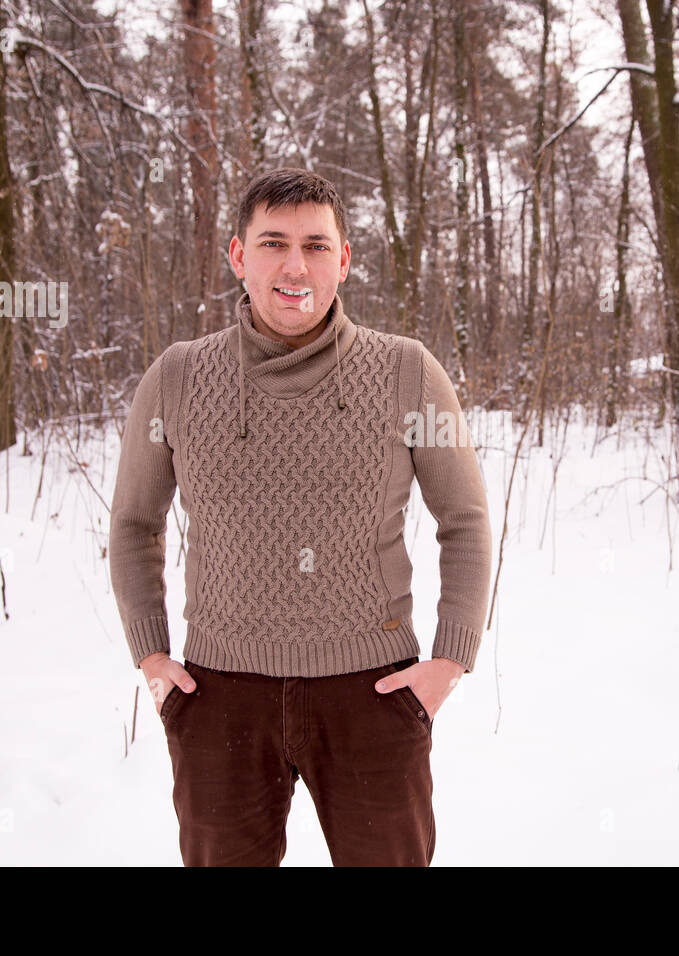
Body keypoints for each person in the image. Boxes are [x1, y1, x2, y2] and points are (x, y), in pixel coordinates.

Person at [108, 167, 493, 866]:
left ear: (344, 259)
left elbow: (463, 519)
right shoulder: (178, 378)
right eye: (273, 243)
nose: (295, 265)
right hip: (219, 695)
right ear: (238, 255)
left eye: (316, 245)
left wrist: (450, 661)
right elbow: (135, 523)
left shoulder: (407, 372)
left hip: (372, 693)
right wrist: (152, 655)